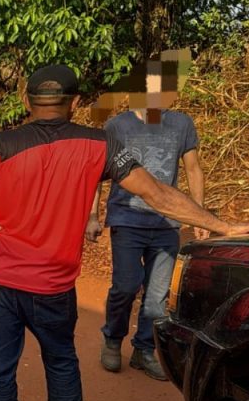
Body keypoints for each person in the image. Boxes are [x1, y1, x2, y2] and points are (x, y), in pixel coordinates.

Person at [0, 65, 249, 401]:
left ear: (26, 102)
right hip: (53, 285)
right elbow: (157, 193)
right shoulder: (100, 144)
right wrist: (224, 226)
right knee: (60, 360)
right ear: (75, 102)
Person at [86, 107, 207, 381]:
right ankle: (113, 339)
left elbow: (193, 168)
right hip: (127, 219)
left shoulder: (180, 123)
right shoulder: (118, 125)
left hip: (166, 223)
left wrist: (200, 217)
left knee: (157, 296)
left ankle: (144, 348)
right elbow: (98, 172)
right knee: (126, 285)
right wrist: (92, 216)